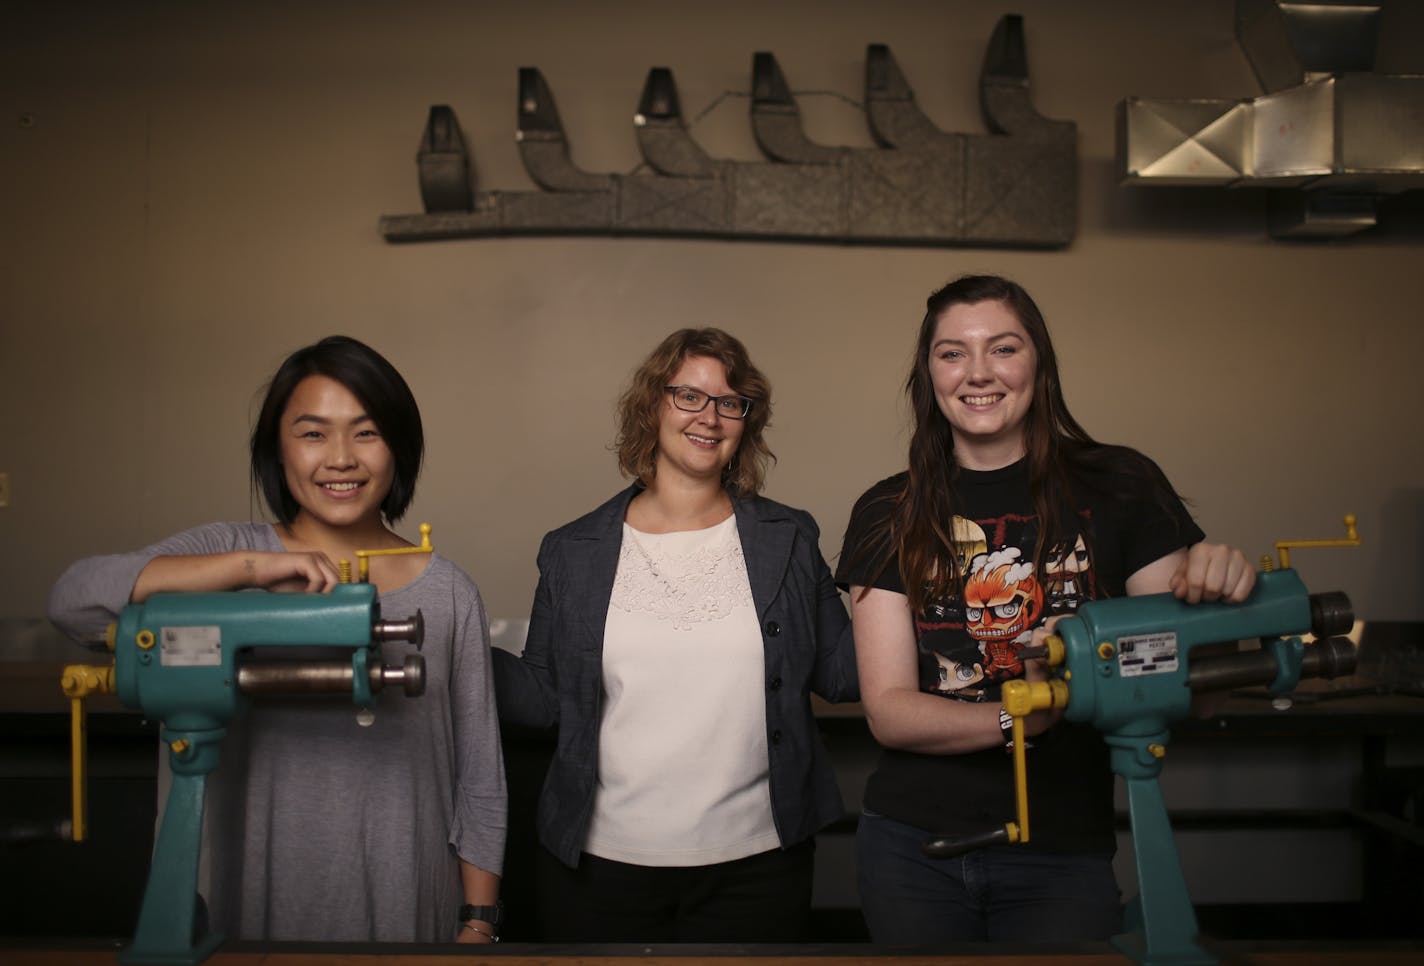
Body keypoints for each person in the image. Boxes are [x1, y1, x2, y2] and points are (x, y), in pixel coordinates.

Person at [836, 275, 1256, 944]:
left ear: (1039, 363)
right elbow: (889, 711)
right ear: (929, 373)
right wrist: (1027, 714)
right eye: (952, 353)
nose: (978, 373)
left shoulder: (1121, 485)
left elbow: (1196, 690)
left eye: (1003, 348)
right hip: (912, 850)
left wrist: (1217, 602)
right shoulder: (889, 510)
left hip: (1063, 849)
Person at [47, 336, 506, 944]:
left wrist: (478, 924)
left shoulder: (449, 592)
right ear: (277, 449)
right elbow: (73, 602)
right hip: (249, 897)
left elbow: (479, 775)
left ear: (399, 447)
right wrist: (250, 569)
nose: (340, 458)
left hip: (408, 898)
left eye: (366, 433)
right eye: (313, 433)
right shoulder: (220, 556)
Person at [493, 327, 857, 942]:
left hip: (757, 869)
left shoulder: (789, 538)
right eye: (689, 396)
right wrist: (455, 642)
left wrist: (902, 585)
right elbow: (544, 697)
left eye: (729, 402)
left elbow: (842, 674)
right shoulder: (571, 550)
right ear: (652, 406)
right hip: (599, 872)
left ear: (747, 421)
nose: (709, 417)